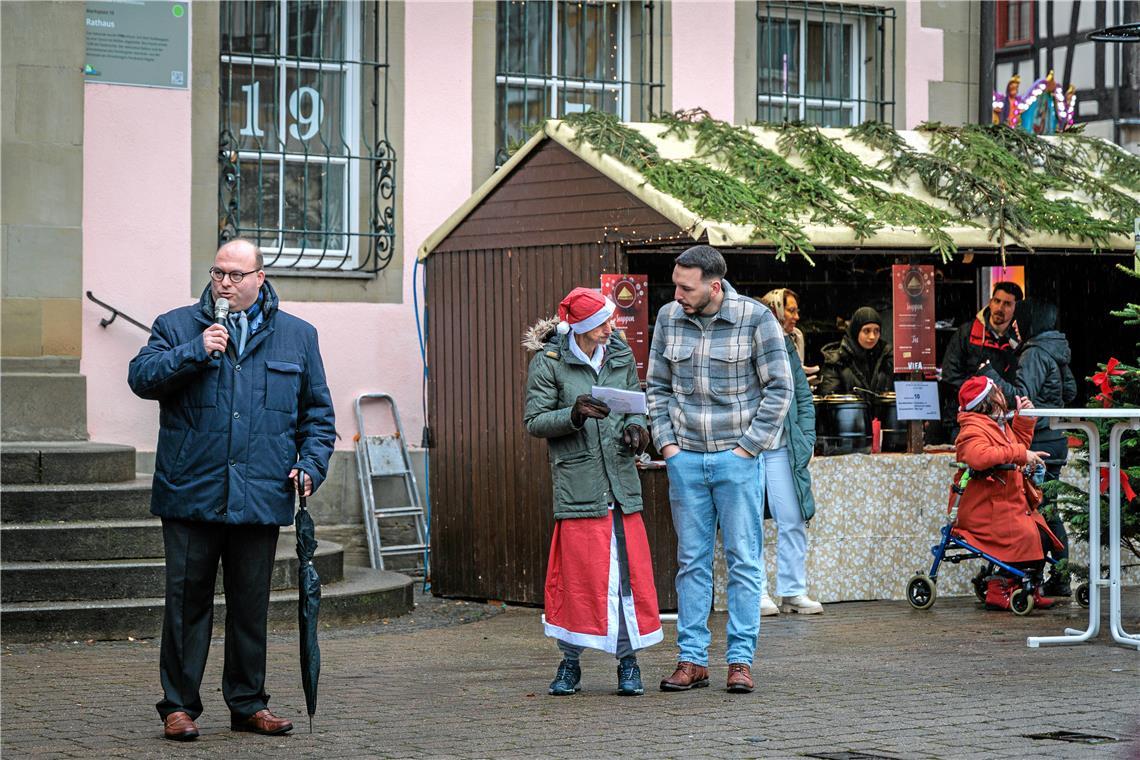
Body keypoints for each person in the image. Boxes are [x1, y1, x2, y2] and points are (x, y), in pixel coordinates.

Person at [128, 239, 335, 741]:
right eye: (219, 271)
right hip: (190, 493)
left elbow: (317, 417)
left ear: (260, 278)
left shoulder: (298, 337)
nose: (225, 281)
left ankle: (247, 703)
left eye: (237, 274)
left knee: (250, 606)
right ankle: (178, 706)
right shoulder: (177, 326)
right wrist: (193, 352)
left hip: (260, 493)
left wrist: (311, 463)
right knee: (185, 604)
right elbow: (140, 377)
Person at [646, 245, 793, 694]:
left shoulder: (755, 319)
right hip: (685, 458)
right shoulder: (669, 318)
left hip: (737, 459)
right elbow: (655, 386)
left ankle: (739, 661)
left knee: (744, 562)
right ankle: (692, 661)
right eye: (675, 284)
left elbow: (780, 390)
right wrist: (667, 446)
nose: (677, 294)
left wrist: (748, 450)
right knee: (690, 563)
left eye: (685, 287)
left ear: (714, 285)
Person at [523, 287, 663, 697]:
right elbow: (534, 420)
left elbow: (635, 405)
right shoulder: (548, 363)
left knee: (626, 580)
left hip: (620, 485)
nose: (610, 329)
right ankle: (570, 663)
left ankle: (629, 664)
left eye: (609, 321)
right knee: (576, 579)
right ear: (581, 327)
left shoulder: (619, 355)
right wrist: (573, 413)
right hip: (579, 487)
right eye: (602, 323)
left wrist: (639, 429)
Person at [981, 298, 1077, 597]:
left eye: (1019, 319)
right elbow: (1070, 391)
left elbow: (1021, 398)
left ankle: (1054, 576)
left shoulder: (1035, 353)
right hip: (1055, 438)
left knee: (1042, 510)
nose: (1015, 325)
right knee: (1046, 508)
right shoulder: (1055, 348)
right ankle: (1049, 574)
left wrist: (991, 375)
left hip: (1040, 442)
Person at [953, 376, 1062, 610]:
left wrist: (1024, 420)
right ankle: (999, 586)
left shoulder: (997, 423)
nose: (1004, 394)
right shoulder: (972, 428)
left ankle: (1029, 586)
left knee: (1042, 535)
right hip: (985, 509)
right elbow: (979, 456)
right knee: (1028, 536)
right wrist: (1023, 455)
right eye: (998, 392)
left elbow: (1016, 447)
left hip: (1007, 503)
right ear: (989, 400)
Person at [757, 292, 822, 617]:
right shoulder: (747, 343)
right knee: (749, 522)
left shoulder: (787, 346)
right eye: (790, 310)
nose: (795, 316)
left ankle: (793, 591)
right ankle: (757, 593)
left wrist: (806, 438)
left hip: (783, 447)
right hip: (751, 448)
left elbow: (804, 397)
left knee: (793, 518)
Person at [941, 281, 1022, 434]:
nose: (999, 308)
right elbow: (949, 374)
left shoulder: (1019, 338)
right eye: (997, 301)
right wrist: (980, 397)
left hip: (1008, 420)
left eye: (1007, 304)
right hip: (967, 417)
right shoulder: (967, 332)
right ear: (990, 302)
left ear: (1016, 308)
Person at [817, 306, 893, 396]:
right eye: (866, 331)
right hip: (849, 409)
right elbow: (830, 401)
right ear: (856, 331)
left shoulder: (887, 357)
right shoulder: (837, 361)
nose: (872, 336)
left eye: (876, 331)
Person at [763, 287, 820, 389]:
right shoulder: (761, 341)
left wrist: (800, 384)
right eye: (791, 311)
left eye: (797, 311)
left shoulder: (795, 337)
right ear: (776, 311)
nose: (797, 317)